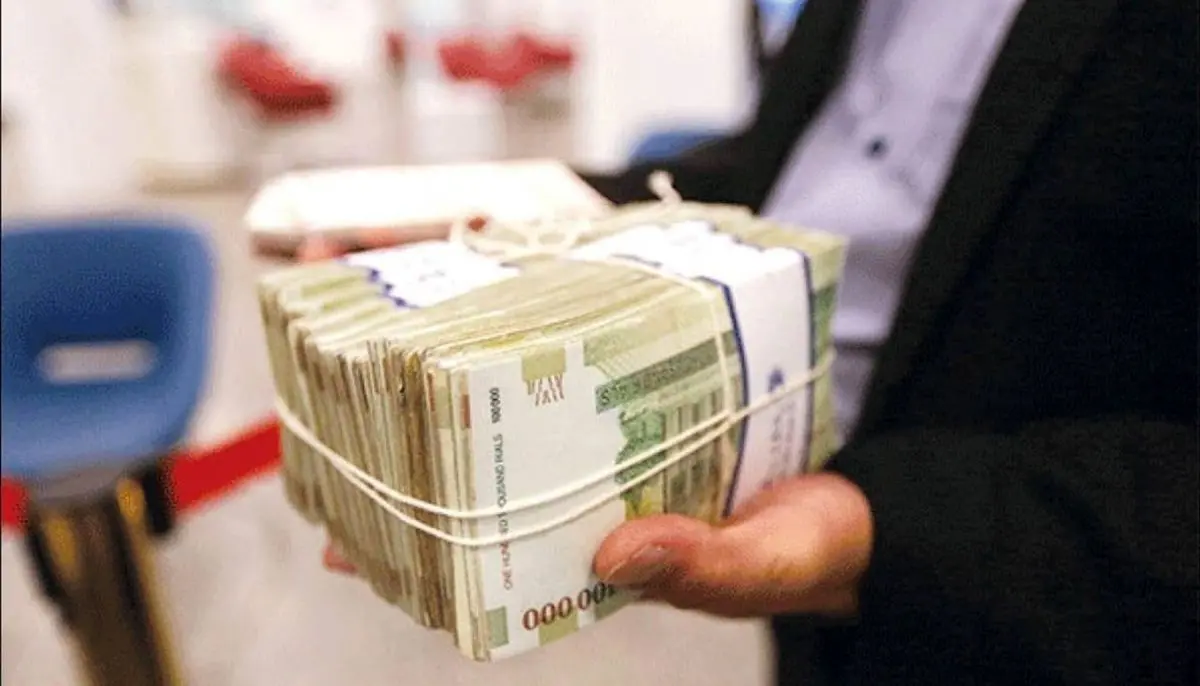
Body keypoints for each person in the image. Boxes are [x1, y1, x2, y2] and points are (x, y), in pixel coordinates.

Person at [324, 0, 1197, 683]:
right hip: (801, 585)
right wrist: (551, 210)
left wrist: (895, 532)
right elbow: (808, 168)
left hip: (1036, 610)